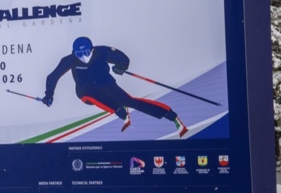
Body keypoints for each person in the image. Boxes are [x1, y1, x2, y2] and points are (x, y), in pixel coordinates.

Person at [42, 36, 187, 136]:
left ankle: (169, 114)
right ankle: (119, 110)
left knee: (129, 101)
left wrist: (121, 66)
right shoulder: (69, 60)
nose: (83, 57)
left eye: (85, 52)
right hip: (85, 89)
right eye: (79, 54)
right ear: (74, 53)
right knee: (89, 94)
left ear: (91, 49)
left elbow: (122, 57)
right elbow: (53, 76)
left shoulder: (101, 51)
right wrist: (49, 94)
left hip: (106, 83)